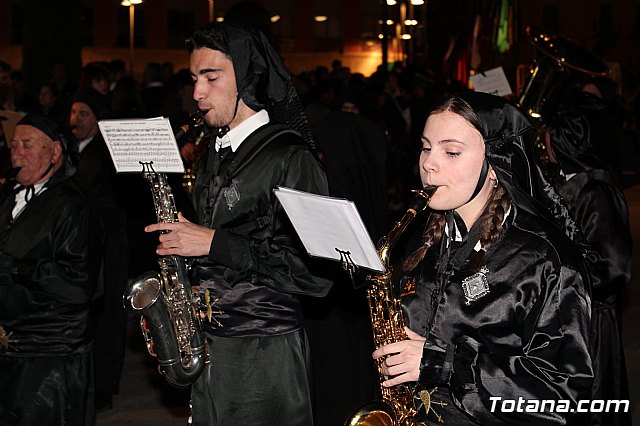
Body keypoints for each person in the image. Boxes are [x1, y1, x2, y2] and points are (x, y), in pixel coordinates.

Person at [144, 23, 332, 426]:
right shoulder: (214, 150)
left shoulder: (291, 157)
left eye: (212, 77)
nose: (197, 93)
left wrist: (212, 243)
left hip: (264, 353)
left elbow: (315, 275)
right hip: (212, 344)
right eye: (195, 78)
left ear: (248, 77)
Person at [372, 92, 593, 425]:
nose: (429, 163)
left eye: (451, 152)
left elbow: (565, 399)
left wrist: (445, 364)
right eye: (426, 146)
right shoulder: (421, 236)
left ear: (495, 167)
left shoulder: (545, 260)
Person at [0, 115, 100, 425]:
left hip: (49, 358)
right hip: (13, 349)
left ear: (54, 152)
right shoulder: (11, 197)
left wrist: (16, 267)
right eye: (13, 145)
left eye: (27, 145)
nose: (16, 154)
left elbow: (79, 284)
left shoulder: (72, 206)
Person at [544, 90, 633, 426]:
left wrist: (555, 275)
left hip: (591, 325)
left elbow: (614, 270)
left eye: (551, 131)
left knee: (592, 409)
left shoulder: (596, 191)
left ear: (568, 137)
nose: (546, 139)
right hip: (570, 319)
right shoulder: (565, 179)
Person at [70, 88, 130, 412]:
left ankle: (103, 388)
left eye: (83, 114)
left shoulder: (101, 155)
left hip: (109, 246)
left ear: (97, 119)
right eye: (74, 112)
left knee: (108, 315)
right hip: (94, 243)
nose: (75, 119)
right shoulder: (78, 149)